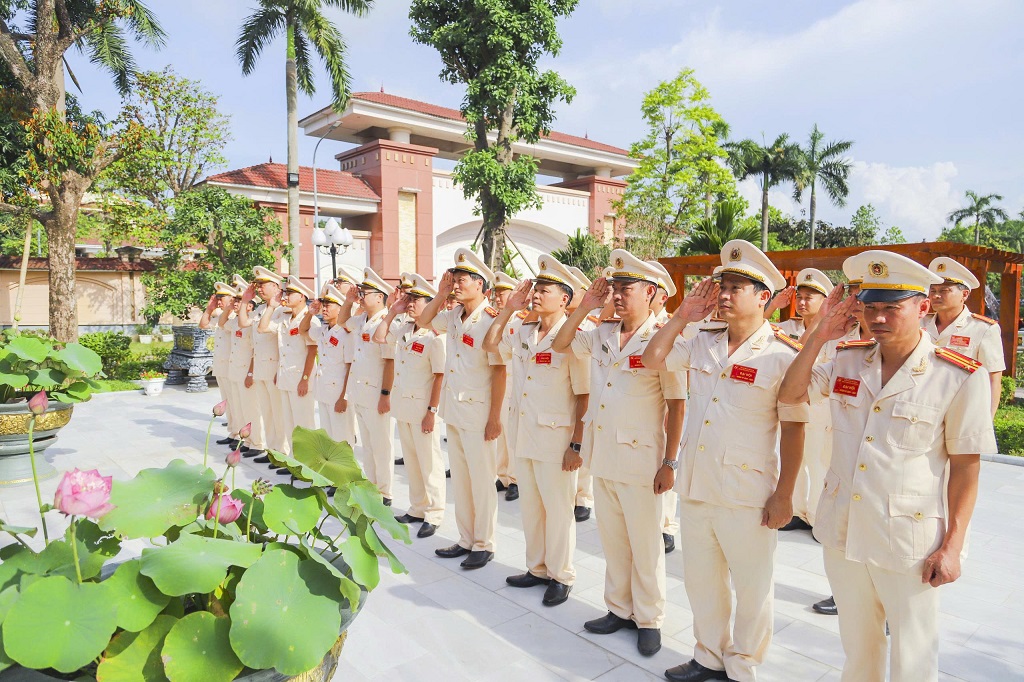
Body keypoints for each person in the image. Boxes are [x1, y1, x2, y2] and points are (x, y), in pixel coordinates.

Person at [778, 250, 996, 682]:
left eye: (892, 308)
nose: (878, 318)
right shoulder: (845, 358)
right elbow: (790, 393)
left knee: (913, 655)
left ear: (922, 306)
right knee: (858, 647)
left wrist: (952, 546)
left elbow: (966, 469)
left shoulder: (958, 376)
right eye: (870, 307)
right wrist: (820, 335)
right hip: (843, 529)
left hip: (908, 541)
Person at [642, 240, 804, 682]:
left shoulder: (782, 354)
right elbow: (651, 358)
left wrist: (785, 493)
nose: (726, 294)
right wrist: (680, 317)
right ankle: (708, 656)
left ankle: (744, 665)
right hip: (697, 484)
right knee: (702, 580)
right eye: (723, 286)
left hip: (747, 491)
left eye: (737, 287)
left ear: (763, 297)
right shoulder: (702, 341)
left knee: (752, 588)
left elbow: (794, 428)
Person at [552, 250, 686, 657]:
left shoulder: (663, 341)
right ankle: (619, 609)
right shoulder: (603, 332)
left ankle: (649, 619)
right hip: (605, 453)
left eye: (626, 289)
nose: (618, 296)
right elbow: (561, 343)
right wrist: (585, 307)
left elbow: (677, 404)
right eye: (615, 289)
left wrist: (670, 462)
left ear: (652, 293)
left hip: (643, 459)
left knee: (645, 544)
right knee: (613, 539)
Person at [484, 254, 589, 607]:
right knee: (531, 506)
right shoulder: (524, 330)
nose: (537, 294)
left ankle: (561, 574)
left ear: (565, 298)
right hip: (524, 432)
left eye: (545, 289)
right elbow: (490, 343)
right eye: (536, 288)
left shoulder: (574, 337)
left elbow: (584, 394)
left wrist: (576, 443)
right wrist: (509, 308)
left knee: (558, 510)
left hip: (556, 438)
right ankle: (538, 568)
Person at [417, 248, 507, 570]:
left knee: (482, 481)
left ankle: (484, 543)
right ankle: (466, 538)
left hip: (480, 413)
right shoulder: (453, 315)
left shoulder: (492, 320)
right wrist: (440, 294)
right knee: (463, 479)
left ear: (480, 284)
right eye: (454, 279)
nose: (456, 284)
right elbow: (423, 320)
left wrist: (495, 417)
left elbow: (499, 371)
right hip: (454, 410)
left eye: (462, 279)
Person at [373, 274, 447, 538]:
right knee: (413, 461)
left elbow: (440, 376)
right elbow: (379, 338)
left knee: (430, 463)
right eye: (409, 299)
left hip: (424, 409)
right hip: (404, 406)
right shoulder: (404, 328)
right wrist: (393, 311)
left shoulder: (436, 336)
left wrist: (432, 412)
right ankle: (417, 507)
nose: (411, 303)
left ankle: (434, 512)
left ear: (431, 304)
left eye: (417, 299)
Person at [773, 268, 835, 534]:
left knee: (820, 462)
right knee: (792, 461)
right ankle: (795, 511)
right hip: (793, 405)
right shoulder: (789, 328)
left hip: (823, 410)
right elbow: (796, 352)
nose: (803, 302)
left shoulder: (835, 332)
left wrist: (822, 322)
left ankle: (819, 516)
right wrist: (775, 305)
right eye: (800, 296)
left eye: (811, 297)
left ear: (825, 301)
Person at [334, 267, 396, 505]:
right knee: (368, 446)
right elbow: (342, 322)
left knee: (382, 445)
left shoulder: (386, 321)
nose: (361, 296)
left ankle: (386, 491)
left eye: (365, 293)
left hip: (376, 393)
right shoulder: (361, 319)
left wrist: (385, 394)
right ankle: (372, 487)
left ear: (379, 296)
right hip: (360, 391)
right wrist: (348, 301)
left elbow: (389, 362)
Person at [925, 256, 1004, 418]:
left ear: (965, 294)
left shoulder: (983, 329)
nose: (936, 296)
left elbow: (993, 380)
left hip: (962, 413)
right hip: (921, 410)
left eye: (944, 291)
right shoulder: (919, 324)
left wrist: (986, 422)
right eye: (933, 291)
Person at [257, 275, 319, 457]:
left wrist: (305, 379)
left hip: (300, 379)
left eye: (291, 293)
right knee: (290, 423)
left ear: (302, 297)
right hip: (285, 378)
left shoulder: (310, 321)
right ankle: (294, 460)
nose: (286, 296)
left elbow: (312, 352)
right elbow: (262, 328)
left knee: (304, 424)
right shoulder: (283, 319)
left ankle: (308, 461)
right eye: (286, 292)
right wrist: (272, 307)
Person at [648, 259, 681, 555]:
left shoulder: (670, 329)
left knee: (667, 460)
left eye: (653, 290)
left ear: (662, 296)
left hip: (671, 407)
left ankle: (667, 525)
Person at [238, 267, 284, 460]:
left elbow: (285, 344)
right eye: (257, 286)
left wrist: (279, 369)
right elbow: (243, 323)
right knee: (268, 412)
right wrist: (245, 301)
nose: (259, 289)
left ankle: (283, 452)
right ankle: (272, 451)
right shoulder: (260, 309)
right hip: (261, 368)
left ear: (275, 287)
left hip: (275, 367)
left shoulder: (282, 309)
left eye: (263, 285)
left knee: (279, 413)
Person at [303, 283, 355, 446]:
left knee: (342, 439)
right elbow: (303, 331)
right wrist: (310, 313)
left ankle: (346, 472)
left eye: (328, 306)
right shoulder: (324, 330)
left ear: (340, 309)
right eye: (323, 306)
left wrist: (344, 397)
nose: (324, 309)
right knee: (329, 439)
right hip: (324, 392)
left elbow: (350, 367)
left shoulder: (347, 334)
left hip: (338, 394)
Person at [493, 270, 521, 501]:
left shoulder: (523, 321)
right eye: (497, 293)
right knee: (500, 433)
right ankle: (502, 474)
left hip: (515, 383)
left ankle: (515, 479)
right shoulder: (496, 319)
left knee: (512, 435)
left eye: (503, 293)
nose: (498, 297)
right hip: (498, 381)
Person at [201, 281, 239, 448]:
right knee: (227, 401)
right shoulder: (219, 313)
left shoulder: (235, 315)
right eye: (218, 298)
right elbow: (202, 325)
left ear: (231, 298)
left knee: (236, 401)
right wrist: (209, 309)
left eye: (222, 298)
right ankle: (232, 432)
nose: (219, 301)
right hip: (221, 364)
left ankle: (239, 433)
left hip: (234, 365)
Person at [225, 276, 259, 454]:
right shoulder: (237, 322)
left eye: (240, 300)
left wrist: (251, 373)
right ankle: (246, 440)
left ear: (250, 305)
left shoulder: (252, 321)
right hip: (236, 371)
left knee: (251, 409)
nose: (236, 303)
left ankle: (257, 442)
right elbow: (223, 323)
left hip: (247, 372)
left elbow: (255, 350)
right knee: (240, 408)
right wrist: (229, 308)